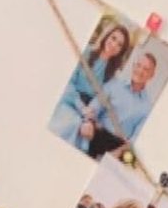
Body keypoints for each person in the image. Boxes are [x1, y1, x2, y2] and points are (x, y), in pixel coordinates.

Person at [48, 23, 132, 151]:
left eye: (120, 45)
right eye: (113, 38)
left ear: (121, 51)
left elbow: (100, 100)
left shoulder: (112, 76)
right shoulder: (86, 52)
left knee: (85, 134)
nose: (114, 45)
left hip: (88, 111)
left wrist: (89, 117)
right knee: (70, 124)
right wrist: (81, 107)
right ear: (107, 36)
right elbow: (69, 82)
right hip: (69, 99)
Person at [87, 51, 159, 158]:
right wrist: (88, 121)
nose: (140, 71)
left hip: (117, 147)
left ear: (151, 75)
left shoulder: (147, 108)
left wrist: (119, 152)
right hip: (96, 132)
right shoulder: (114, 84)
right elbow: (95, 105)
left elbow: (135, 138)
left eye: (146, 69)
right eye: (138, 65)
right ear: (133, 66)